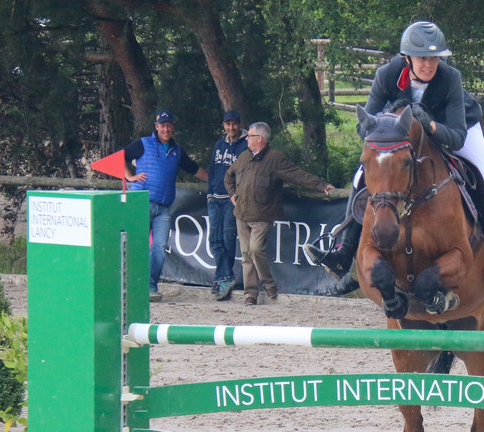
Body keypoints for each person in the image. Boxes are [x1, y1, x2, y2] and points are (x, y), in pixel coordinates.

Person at [304, 21, 484, 287]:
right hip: (402, 133)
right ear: (407, 58)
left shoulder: (450, 77)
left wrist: (429, 125)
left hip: (457, 126)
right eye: (422, 58)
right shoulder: (387, 74)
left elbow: (457, 136)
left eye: (434, 58)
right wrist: (387, 119)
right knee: (360, 175)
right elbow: (364, 128)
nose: (429, 65)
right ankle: (343, 253)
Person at [225, 122, 335, 306]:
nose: (246, 139)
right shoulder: (244, 157)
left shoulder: (276, 159)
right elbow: (228, 175)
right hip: (241, 214)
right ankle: (250, 293)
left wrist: (320, 185)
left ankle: (268, 284)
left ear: (260, 139)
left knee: (255, 250)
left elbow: (297, 174)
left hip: (262, 215)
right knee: (246, 254)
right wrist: (232, 193)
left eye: (250, 136)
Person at [124, 110, 208, 302]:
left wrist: (214, 181)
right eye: (162, 125)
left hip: (163, 208)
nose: (166, 129)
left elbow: (193, 168)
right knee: (137, 244)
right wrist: (129, 176)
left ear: (172, 127)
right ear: (156, 127)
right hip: (142, 202)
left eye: (169, 125)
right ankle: (132, 284)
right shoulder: (144, 143)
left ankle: (150, 287)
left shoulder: (176, 150)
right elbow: (120, 156)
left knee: (159, 248)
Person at [207, 110, 248, 301]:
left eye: (234, 124)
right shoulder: (219, 144)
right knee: (215, 240)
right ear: (223, 125)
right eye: (227, 124)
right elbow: (213, 170)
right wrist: (209, 194)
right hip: (215, 198)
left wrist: (238, 194)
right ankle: (224, 277)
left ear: (239, 124)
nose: (231, 128)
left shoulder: (246, 145)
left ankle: (223, 277)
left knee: (228, 239)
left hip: (232, 199)